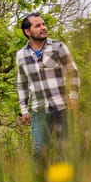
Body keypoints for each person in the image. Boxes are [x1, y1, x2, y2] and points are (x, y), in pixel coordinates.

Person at [16, 13, 79, 164]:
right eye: (38, 26)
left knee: (65, 150)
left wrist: (73, 96)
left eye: (43, 24)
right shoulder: (21, 55)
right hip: (39, 111)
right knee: (40, 152)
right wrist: (24, 110)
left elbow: (73, 72)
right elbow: (22, 84)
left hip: (62, 107)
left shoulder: (58, 47)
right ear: (27, 32)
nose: (43, 28)